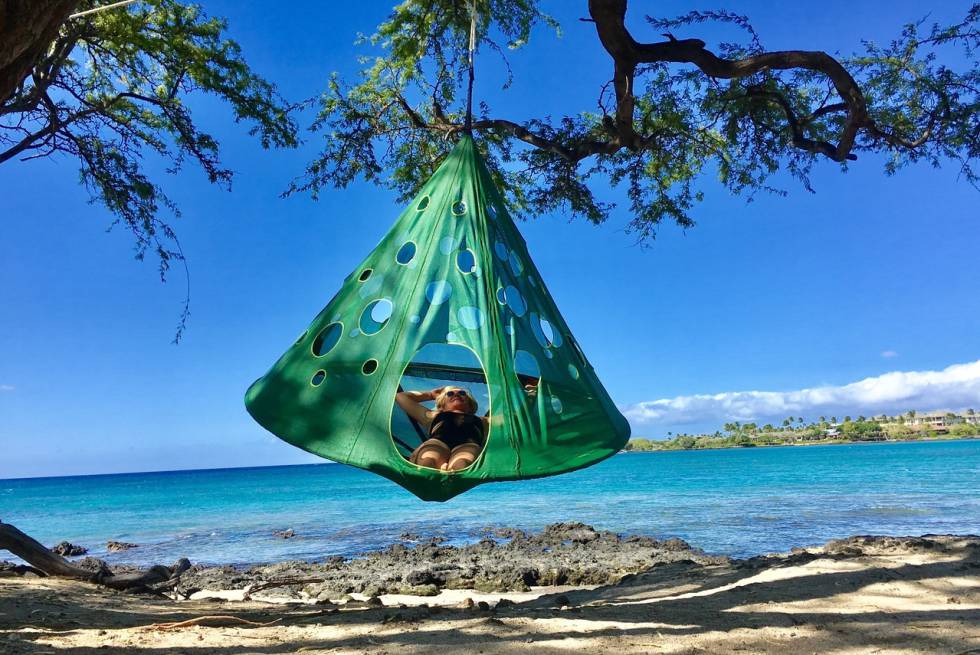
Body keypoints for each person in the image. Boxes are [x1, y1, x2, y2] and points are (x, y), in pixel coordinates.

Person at [395, 386, 488, 471]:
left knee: (462, 464)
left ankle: (449, 471)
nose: (456, 394)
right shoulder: (432, 415)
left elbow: (502, 417)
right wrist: (431, 394)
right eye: (450, 394)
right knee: (427, 462)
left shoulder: (483, 421)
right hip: (438, 443)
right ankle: (441, 469)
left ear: (470, 403)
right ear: (442, 405)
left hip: (468, 445)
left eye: (462, 393)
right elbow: (400, 396)